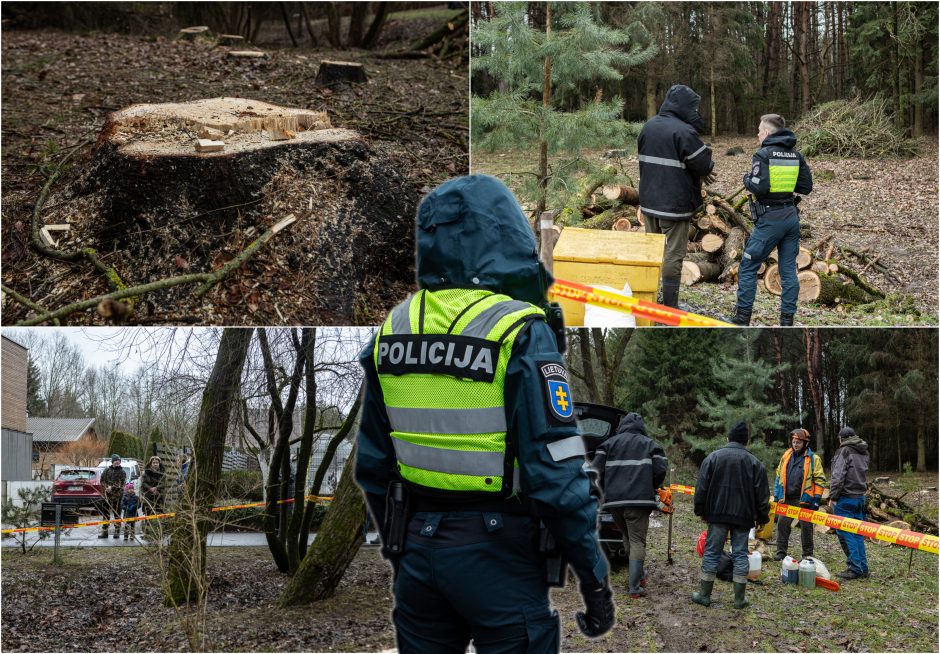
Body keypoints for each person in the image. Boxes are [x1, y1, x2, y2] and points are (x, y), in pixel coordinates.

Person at [355, 174, 615, 653]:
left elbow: (372, 464)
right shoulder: (518, 329)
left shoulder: (393, 329)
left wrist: (401, 544)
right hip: (499, 557)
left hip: (418, 556)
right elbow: (557, 472)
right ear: (506, 234)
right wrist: (594, 578)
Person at [729, 113, 813, 326]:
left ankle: (742, 318)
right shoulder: (796, 155)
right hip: (791, 218)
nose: (757, 134)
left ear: (767, 132)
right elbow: (805, 187)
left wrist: (746, 179)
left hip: (770, 219)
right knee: (788, 270)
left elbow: (759, 186)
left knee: (748, 266)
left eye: (759, 130)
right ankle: (787, 321)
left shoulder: (763, 154)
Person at [638, 84, 715, 309]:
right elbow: (702, 164)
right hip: (674, 204)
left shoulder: (648, 127)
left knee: (652, 251)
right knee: (673, 254)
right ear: (684, 106)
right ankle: (670, 305)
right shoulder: (683, 131)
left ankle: (649, 297)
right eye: (694, 107)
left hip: (649, 202)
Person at [691, 422, 770, 609]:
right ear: (747, 441)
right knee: (740, 554)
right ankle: (739, 599)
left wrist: (700, 510)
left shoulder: (712, 458)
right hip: (743, 517)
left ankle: (704, 595)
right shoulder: (755, 463)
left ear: (728, 438)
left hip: (717, 513)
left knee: (711, 552)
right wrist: (762, 517)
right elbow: (762, 495)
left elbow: (701, 488)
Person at [590, 412, 667, 599]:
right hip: (639, 501)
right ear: (641, 427)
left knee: (627, 536)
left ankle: (639, 575)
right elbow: (661, 469)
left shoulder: (608, 444)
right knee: (637, 540)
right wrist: (652, 486)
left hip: (614, 501)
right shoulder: (650, 445)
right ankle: (634, 587)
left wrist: (603, 490)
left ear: (622, 425)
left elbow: (595, 470)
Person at [773, 428, 826, 561]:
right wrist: (776, 494)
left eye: (798, 442)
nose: (795, 444)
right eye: (794, 441)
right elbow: (779, 475)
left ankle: (807, 554)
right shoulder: (786, 455)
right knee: (782, 523)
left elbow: (819, 480)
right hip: (787, 498)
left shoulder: (813, 458)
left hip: (804, 499)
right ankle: (781, 552)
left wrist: (817, 499)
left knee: (806, 526)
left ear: (805, 443)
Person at [828, 426, 870, 580]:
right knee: (858, 533)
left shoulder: (844, 451)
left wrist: (833, 496)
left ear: (841, 438)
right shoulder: (864, 450)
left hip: (846, 498)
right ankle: (863, 568)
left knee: (846, 533)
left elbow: (838, 476)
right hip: (860, 497)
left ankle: (855, 568)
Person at [99, 454, 127, 539]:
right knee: (105, 514)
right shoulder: (107, 470)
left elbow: (122, 484)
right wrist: (106, 487)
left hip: (117, 496)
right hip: (107, 496)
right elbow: (102, 481)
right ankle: (104, 532)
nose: (117, 462)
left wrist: (112, 488)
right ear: (112, 462)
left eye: (118, 461)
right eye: (116, 461)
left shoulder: (122, 472)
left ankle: (117, 531)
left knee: (117, 514)